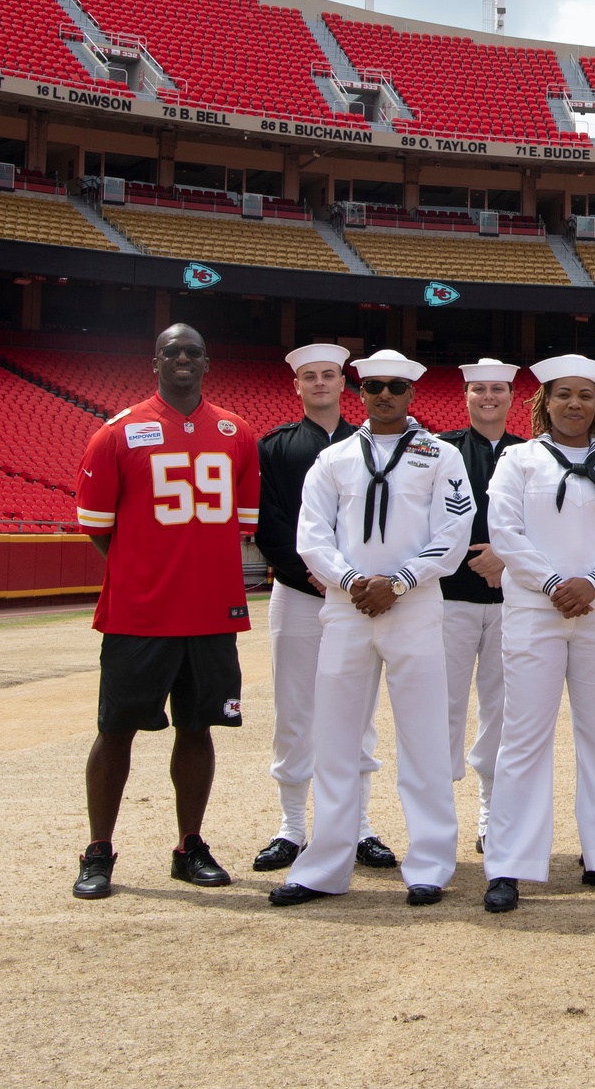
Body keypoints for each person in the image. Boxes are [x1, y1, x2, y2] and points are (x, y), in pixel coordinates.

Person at [269, 351, 473, 908]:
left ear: (412, 393)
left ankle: (429, 863)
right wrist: (356, 580)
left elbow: (454, 532)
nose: (384, 394)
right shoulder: (333, 459)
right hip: (347, 607)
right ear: (358, 391)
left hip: (415, 609)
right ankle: (325, 867)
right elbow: (312, 536)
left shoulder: (441, 455)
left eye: (396, 386)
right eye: (374, 386)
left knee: (425, 739)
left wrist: (400, 582)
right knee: (334, 739)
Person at [70, 323, 260, 899]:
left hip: (209, 611)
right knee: (115, 730)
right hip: (140, 613)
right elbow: (99, 529)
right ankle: (98, 849)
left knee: (199, 728)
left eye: (193, 352)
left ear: (207, 362)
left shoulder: (237, 433)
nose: (182, 358)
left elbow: (241, 528)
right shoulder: (117, 434)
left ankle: (190, 845)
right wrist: (145, 567)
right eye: (172, 351)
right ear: (155, 361)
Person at [480, 355, 595, 913]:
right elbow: (504, 530)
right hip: (535, 611)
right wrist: (556, 583)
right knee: (524, 737)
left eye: (585, 395)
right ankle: (510, 863)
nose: (574, 403)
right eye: (563, 394)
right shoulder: (517, 460)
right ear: (544, 402)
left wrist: (594, 583)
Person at [252, 343, 396, 875]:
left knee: (358, 715)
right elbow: (267, 521)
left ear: (344, 384)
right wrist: (310, 571)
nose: (318, 383)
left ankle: (357, 827)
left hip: (360, 598)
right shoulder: (277, 447)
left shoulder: (378, 446)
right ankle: (291, 826)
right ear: (296, 386)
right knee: (294, 710)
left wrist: (351, 579)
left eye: (328, 375)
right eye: (308, 376)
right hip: (298, 593)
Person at [435, 358, 524, 853]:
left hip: (512, 600)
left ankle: (491, 813)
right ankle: (440, 815)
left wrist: (504, 557)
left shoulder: (531, 453)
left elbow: (541, 523)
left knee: (502, 710)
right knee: (442, 707)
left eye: (497, 389)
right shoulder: (440, 450)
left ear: (511, 397)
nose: (487, 396)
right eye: (477, 389)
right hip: (450, 600)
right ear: (465, 396)